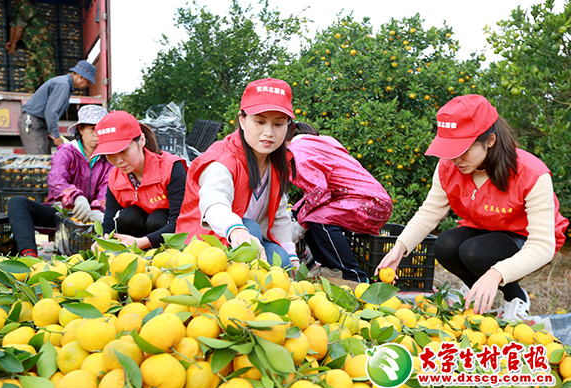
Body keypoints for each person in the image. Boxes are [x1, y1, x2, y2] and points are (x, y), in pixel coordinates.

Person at [376, 95, 569, 320]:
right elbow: (430, 211)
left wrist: (497, 273)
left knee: (474, 252)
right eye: (450, 149)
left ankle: (515, 298)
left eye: (463, 149)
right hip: (485, 229)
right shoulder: (448, 167)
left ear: (489, 140)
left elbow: (543, 245)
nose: (455, 158)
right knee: (445, 245)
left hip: (523, 237)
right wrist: (399, 248)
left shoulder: (532, 174)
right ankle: (475, 290)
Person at [176, 77, 298, 268]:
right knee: (250, 227)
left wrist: (292, 256)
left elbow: (280, 214)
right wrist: (236, 230)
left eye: (278, 124)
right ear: (242, 120)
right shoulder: (222, 159)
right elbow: (214, 202)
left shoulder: (276, 162)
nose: (269, 133)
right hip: (206, 243)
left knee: (282, 262)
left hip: (247, 240)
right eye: (259, 122)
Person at [286, 122, 393, 282]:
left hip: (368, 201)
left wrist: (297, 225)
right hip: (369, 199)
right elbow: (319, 193)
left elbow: (319, 193)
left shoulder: (298, 151)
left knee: (317, 218)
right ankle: (331, 270)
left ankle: (354, 277)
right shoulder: (315, 144)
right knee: (310, 216)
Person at [8, 105, 112, 258]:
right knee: (17, 203)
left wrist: (97, 209)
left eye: (101, 129)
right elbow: (56, 180)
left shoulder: (108, 159)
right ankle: (29, 254)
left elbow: (107, 188)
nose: (97, 134)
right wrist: (76, 198)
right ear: (81, 130)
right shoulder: (67, 152)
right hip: (62, 213)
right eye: (92, 129)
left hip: (90, 218)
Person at [92, 111, 187, 249]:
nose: (119, 160)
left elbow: (180, 222)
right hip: (134, 246)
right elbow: (109, 222)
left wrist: (141, 243)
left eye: (124, 151)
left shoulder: (171, 168)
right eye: (110, 154)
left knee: (158, 218)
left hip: (169, 244)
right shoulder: (115, 177)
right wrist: (103, 240)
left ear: (141, 140)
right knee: (128, 217)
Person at [18, 60, 95, 155]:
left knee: (44, 158)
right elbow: (51, 112)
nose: (87, 85)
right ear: (81, 77)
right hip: (32, 123)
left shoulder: (64, 83)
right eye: (87, 82)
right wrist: (56, 135)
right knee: (39, 161)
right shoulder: (63, 85)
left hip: (38, 124)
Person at [5, 0, 56, 93]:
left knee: (47, 72)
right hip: (33, 48)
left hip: (43, 45)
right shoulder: (18, 8)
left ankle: (53, 95)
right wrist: (11, 41)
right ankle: (30, 97)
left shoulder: (26, 6)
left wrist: (13, 44)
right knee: (30, 75)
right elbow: (13, 25)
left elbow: (20, 27)